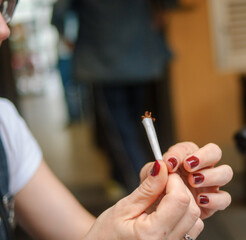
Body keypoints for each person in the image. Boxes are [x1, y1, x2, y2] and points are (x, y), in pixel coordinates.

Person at [0, 1, 233, 240]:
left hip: (104, 59)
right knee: (128, 129)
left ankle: (133, 182)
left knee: (122, 131)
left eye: (1, 5)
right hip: (140, 57)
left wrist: (148, 211)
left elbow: (84, 234)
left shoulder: (1, 124)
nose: (2, 29)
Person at [52, 0, 177, 191]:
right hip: (141, 52)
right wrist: (161, 13)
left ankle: (143, 187)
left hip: (104, 59)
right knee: (139, 123)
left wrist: (66, 35)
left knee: (121, 130)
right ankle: (135, 179)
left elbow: (60, 12)